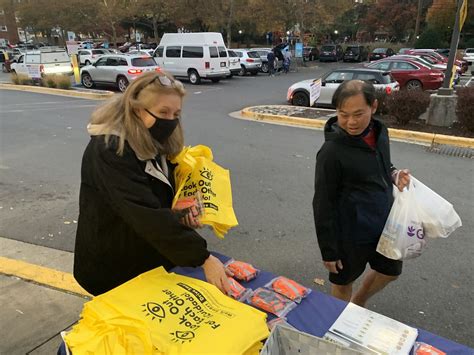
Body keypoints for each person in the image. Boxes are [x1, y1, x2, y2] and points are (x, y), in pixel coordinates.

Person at [74, 71, 231, 296]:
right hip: (113, 268)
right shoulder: (110, 150)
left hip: (144, 259)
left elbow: (155, 199)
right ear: (138, 110)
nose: (170, 121)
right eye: (163, 112)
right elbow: (146, 215)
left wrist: (179, 213)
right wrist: (203, 257)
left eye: (176, 113)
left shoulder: (154, 140)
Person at [313, 80, 410, 307]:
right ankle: (339, 320)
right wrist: (329, 251)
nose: (351, 122)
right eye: (343, 114)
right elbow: (322, 202)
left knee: (391, 271)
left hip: (384, 225)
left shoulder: (379, 132)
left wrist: (394, 174)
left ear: (373, 107)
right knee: (343, 282)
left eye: (358, 114)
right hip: (350, 233)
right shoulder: (331, 152)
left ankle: (358, 303)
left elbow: (381, 162)